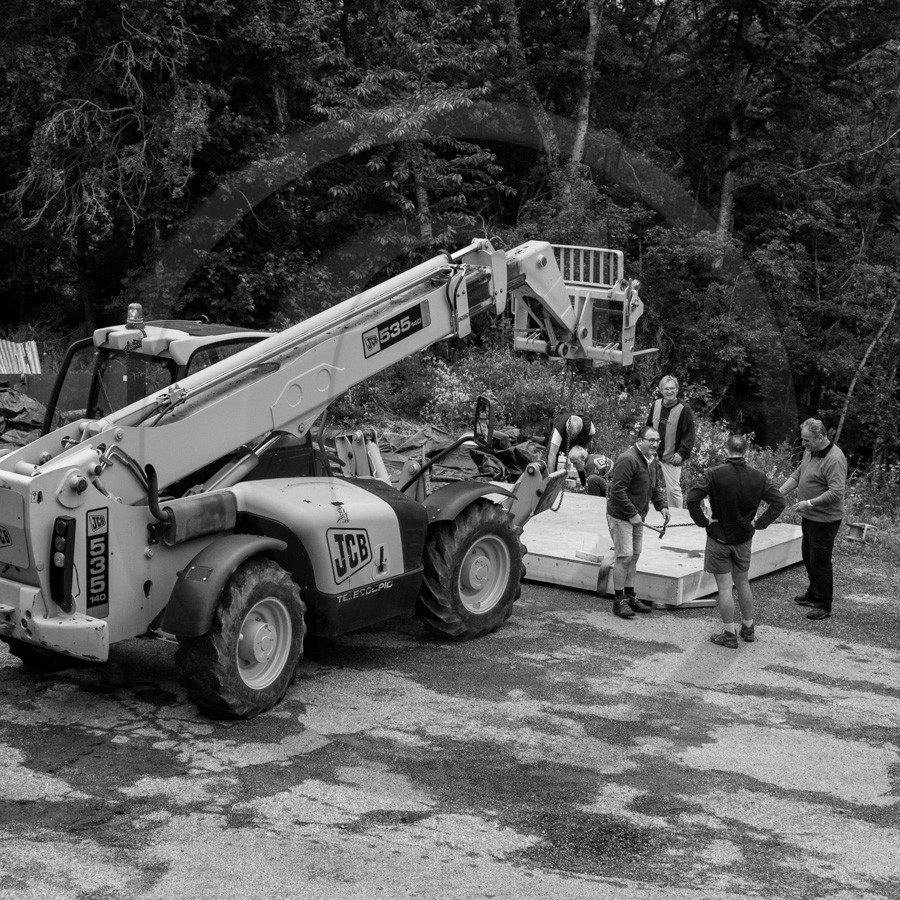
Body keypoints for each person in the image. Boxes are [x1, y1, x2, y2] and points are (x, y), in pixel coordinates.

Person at [686, 434, 786, 648]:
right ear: (746, 452)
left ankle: (729, 634)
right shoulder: (759, 477)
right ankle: (748, 628)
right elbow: (779, 503)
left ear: (726, 450)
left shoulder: (713, 474)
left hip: (719, 536)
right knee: (742, 582)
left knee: (724, 587)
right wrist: (759, 524)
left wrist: (703, 522)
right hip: (744, 537)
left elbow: (692, 499)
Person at [779, 418, 847, 620]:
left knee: (820, 560)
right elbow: (799, 474)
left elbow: (836, 493)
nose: (803, 445)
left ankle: (824, 604)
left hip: (825, 519)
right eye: (803, 440)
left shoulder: (834, 459)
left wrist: (808, 503)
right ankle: (813, 591)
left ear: (820, 437)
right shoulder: (811, 451)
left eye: (807, 440)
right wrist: (778, 493)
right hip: (810, 517)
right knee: (808, 556)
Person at [606, 426, 670, 618]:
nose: (654, 444)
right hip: (621, 516)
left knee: (634, 557)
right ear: (640, 440)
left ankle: (630, 596)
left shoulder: (652, 460)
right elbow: (617, 491)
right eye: (651, 440)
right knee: (624, 557)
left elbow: (655, 486)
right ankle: (619, 601)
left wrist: (662, 506)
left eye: (657, 440)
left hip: (637, 516)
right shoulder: (628, 459)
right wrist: (632, 513)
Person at [646, 375, 695, 509]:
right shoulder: (656, 404)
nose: (669, 391)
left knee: (673, 490)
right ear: (661, 390)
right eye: (666, 389)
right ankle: (647, 509)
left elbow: (689, 435)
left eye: (672, 388)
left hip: (672, 457)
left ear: (677, 390)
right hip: (653, 454)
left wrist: (681, 453)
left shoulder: (684, 409)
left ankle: (677, 516)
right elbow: (648, 427)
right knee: (646, 483)